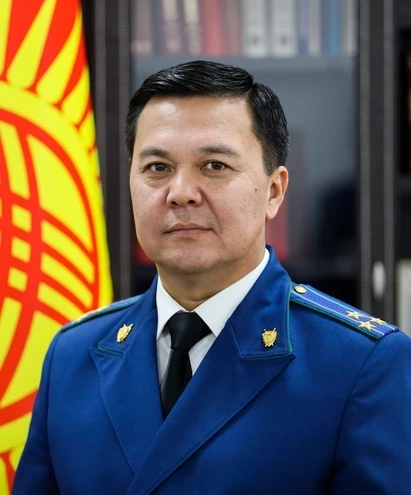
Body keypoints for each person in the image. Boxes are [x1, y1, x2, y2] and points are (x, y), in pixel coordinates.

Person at [13, 60, 411, 494]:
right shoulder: (74, 354)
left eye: (214, 165)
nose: (181, 193)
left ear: (274, 191)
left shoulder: (360, 364)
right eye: (157, 167)